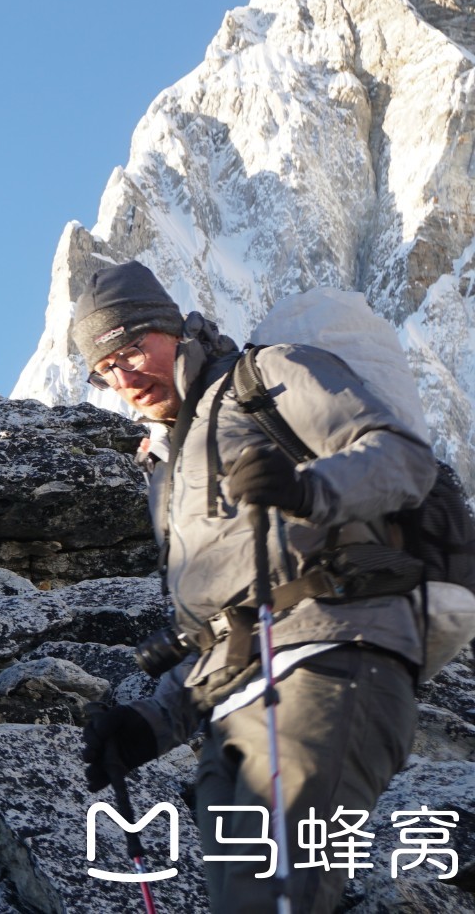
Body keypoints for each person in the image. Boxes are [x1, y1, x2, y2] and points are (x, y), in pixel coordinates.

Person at [75, 261, 438, 914]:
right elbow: (220, 624)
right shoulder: (166, 468)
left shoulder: (266, 376)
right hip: (235, 706)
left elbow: (405, 460)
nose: (123, 377)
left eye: (131, 346)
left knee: (275, 894)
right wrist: (149, 722)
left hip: (329, 658)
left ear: (169, 326)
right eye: (104, 368)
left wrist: (309, 489)